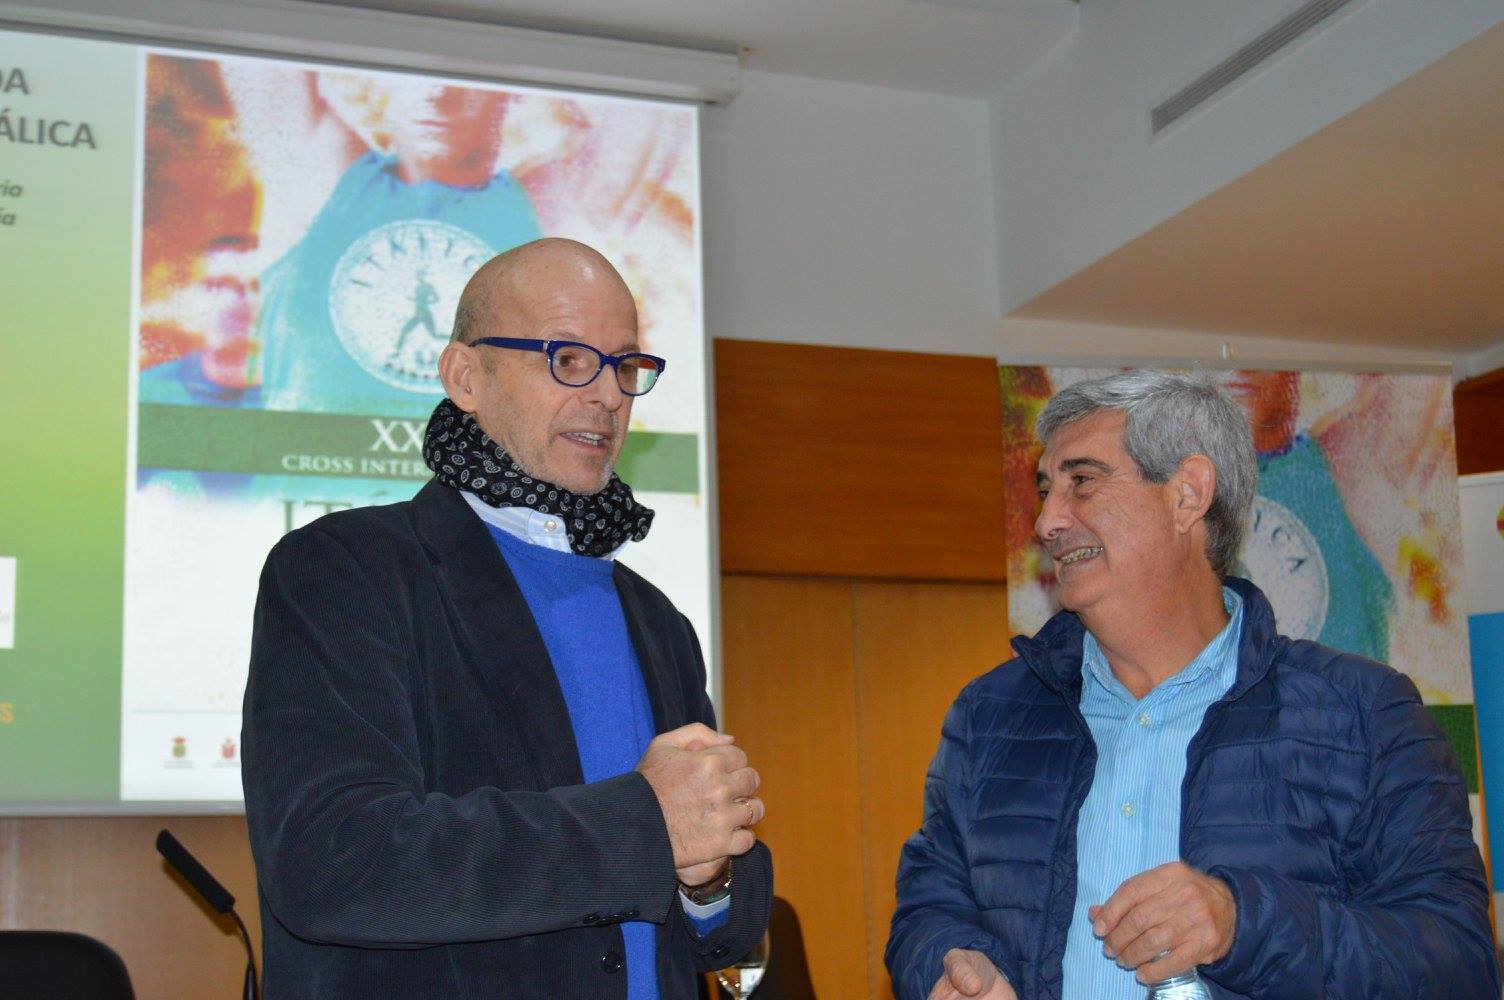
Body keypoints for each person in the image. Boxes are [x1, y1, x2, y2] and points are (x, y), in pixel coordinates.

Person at [242, 238, 772, 999]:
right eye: (567, 358)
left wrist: (709, 874)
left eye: (624, 366)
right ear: (467, 376)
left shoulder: (659, 621)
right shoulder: (343, 570)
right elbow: (333, 864)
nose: (608, 395)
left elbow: (725, 932)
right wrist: (644, 824)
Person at [886, 370, 1496, 1000]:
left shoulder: (1367, 713)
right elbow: (930, 905)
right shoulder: (989, 715)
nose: (1046, 522)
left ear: (1187, 495)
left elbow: (1460, 962)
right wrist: (952, 966)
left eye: (1082, 482)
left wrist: (1243, 924)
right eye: (1045, 491)